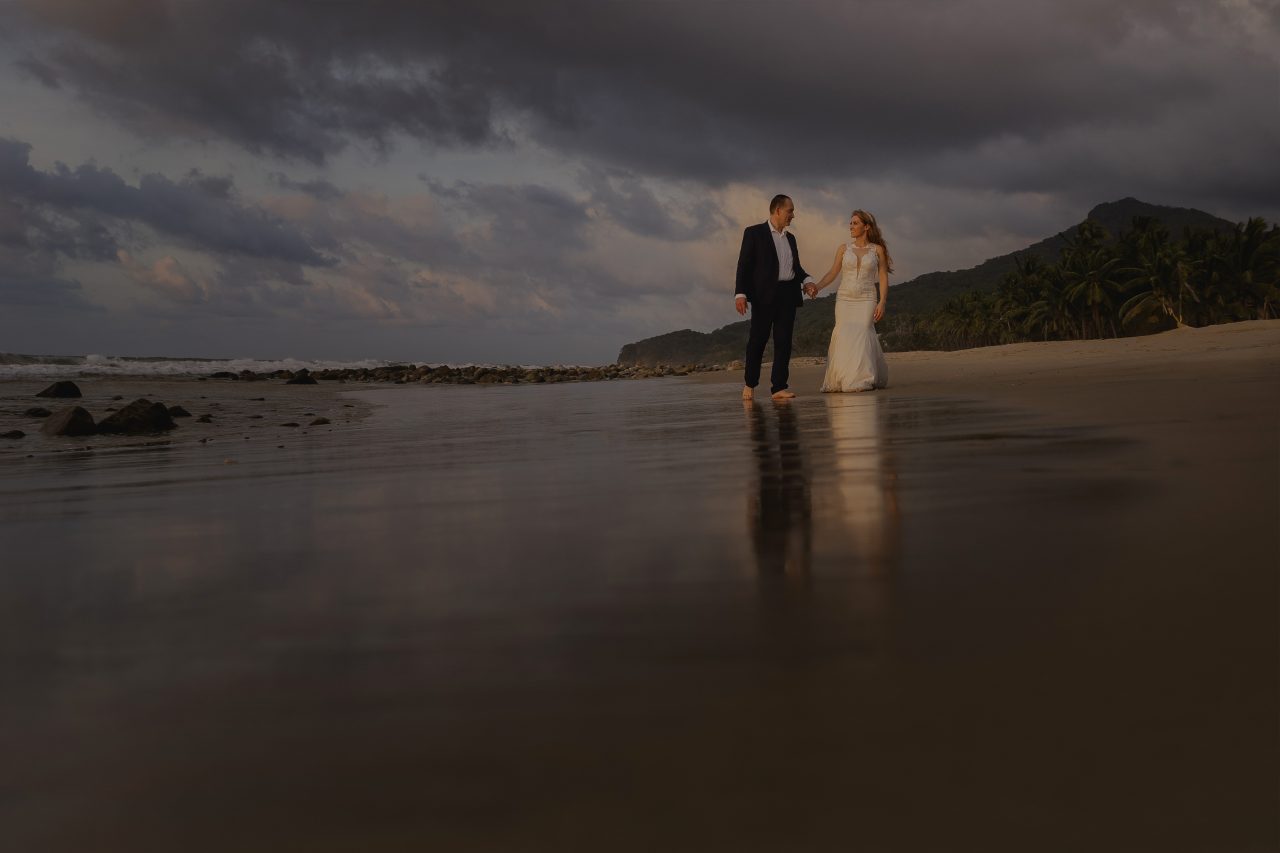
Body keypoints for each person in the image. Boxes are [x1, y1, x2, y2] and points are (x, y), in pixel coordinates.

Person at [735, 195, 815, 400]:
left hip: (788, 294)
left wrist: (807, 280)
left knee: (784, 342)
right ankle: (750, 384)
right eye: (790, 211)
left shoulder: (791, 238)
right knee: (757, 341)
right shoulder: (754, 233)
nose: (793, 215)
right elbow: (744, 266)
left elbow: (795, 268)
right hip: (763, 296)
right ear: (778, 210)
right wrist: (740, 293)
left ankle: (779, 387)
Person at [804, 209, 891, 392]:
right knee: (843, 333)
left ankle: (861, 378)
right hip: (845, 298)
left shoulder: (878, 250)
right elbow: (833, 272)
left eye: (855, 223)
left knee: (861, 332)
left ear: (866, 227)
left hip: (867, 297)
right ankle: (843, 377)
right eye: (850, 223)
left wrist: (882, 301)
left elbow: (883, 276)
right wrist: (817, 286)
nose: (851, 226)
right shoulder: (844, 249)